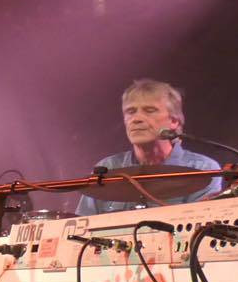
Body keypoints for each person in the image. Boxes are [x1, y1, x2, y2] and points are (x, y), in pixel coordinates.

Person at [76, 79, 223, 216]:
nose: (136, 119)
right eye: (130, 111)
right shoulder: (107, 168)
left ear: (174, 121)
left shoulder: (203, 169)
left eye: (149, 110)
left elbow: (201, 227)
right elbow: (81, 227)